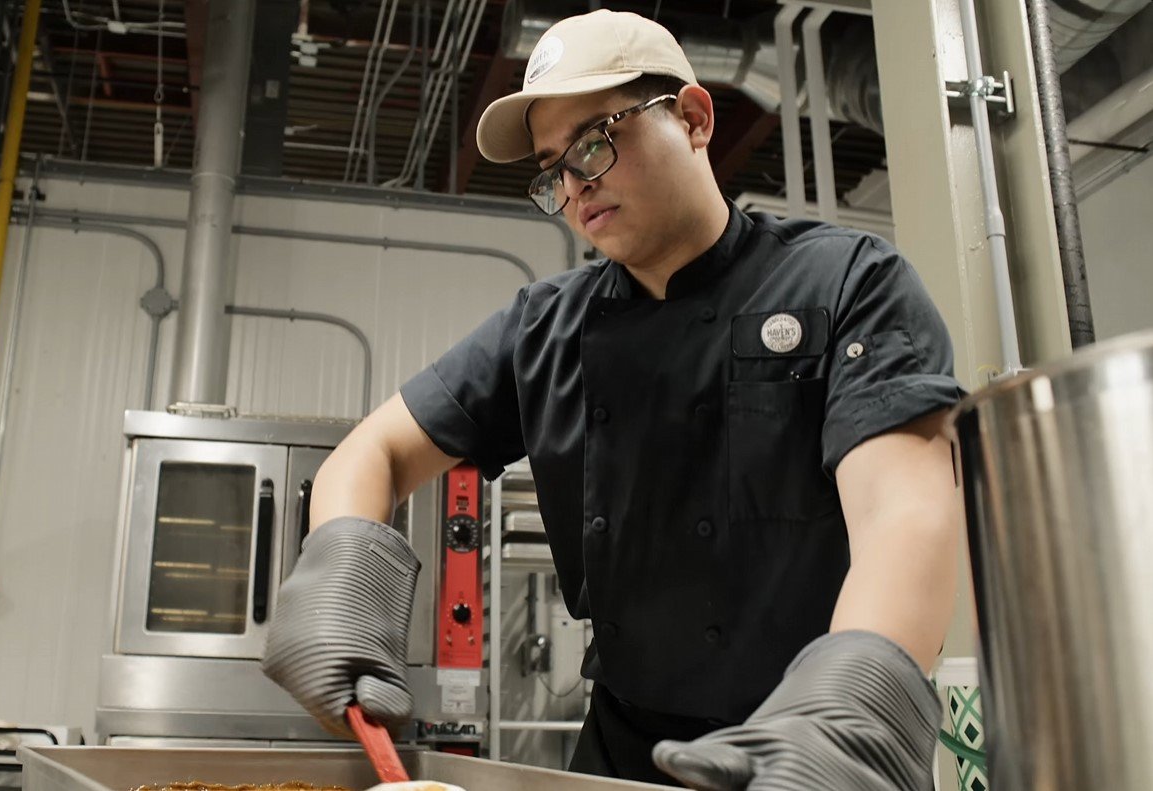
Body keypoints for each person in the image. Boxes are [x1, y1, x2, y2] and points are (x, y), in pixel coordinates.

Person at [263, 9, 966, 790]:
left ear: (694, 119)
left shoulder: (846, 283)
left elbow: (906, 511)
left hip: (813, 751)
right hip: (625, 756)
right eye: (552, 169)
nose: (573, 187)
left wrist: (852, 713)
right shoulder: (543, 329)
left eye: (594, 142)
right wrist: (339, 576)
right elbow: (375, 448)